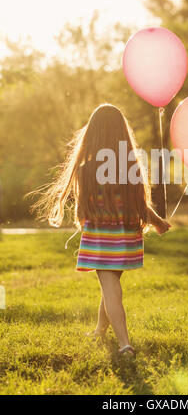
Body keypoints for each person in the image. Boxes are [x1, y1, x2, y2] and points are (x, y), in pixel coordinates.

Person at [32, 103, 171, 357]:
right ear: (122, 135)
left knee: (110, 288)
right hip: (126, 239)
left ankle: (125, 344)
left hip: (101, 239)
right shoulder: (131, 169)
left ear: (92, 133)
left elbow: (83, 210)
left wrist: (86, 222)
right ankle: (99, 330)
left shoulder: (87, 169)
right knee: (111, 285)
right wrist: (158, 222)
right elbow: (140, 205)